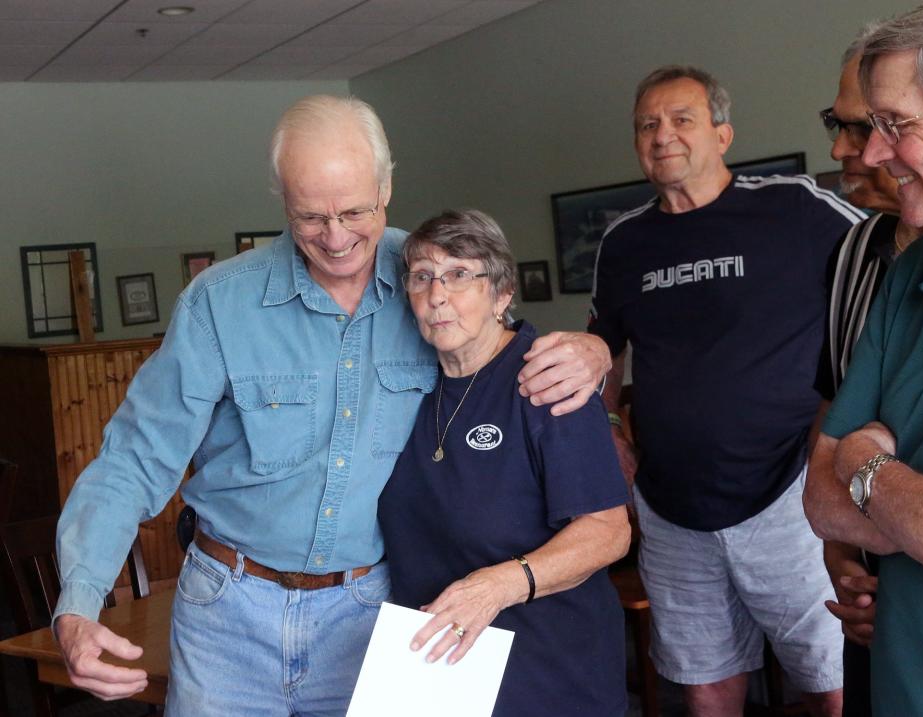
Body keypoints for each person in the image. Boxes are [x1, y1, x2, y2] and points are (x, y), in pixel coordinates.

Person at [52, 95, 611, 716]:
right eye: (310, 217)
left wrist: (595, 349)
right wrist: (77, 603)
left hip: (368, 613)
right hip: (227, 611)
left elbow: (497, 339)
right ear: (283, 202)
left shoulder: (427, 275)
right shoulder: (219, 303)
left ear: (387, 188)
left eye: (354, 211)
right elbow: (133, 458)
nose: (337, 237)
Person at [590, 64, 863, 717]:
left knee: (831, 681)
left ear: (723, 133)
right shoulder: (624, 241)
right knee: (705, 684)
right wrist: (607, 428)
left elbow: (892, 261)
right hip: (670, 506)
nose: (663, 136)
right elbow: (604, 349)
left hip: (789, 498)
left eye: (682, 119)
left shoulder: (797, 208)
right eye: (647, 125)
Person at [378, 209, 631, 716]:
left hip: (547, 671)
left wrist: (497, 585)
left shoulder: (547, 377)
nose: (437, 295)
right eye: (423, 277)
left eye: (458, 275)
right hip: (437, 675)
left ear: (502, 292)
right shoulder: (405, 384)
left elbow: (608, 530)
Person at [803, 2, 923, 715]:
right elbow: (821, 500)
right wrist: (913, 508)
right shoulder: (911, 266)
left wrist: (866, 461)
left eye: (895, 124)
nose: (869, 153)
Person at [813, 27, 923, 717]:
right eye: (840, 125)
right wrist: (839, 557)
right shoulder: (854, 249)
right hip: (868, 591)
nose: (843, 150)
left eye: (864, 128)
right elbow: (830, 414)